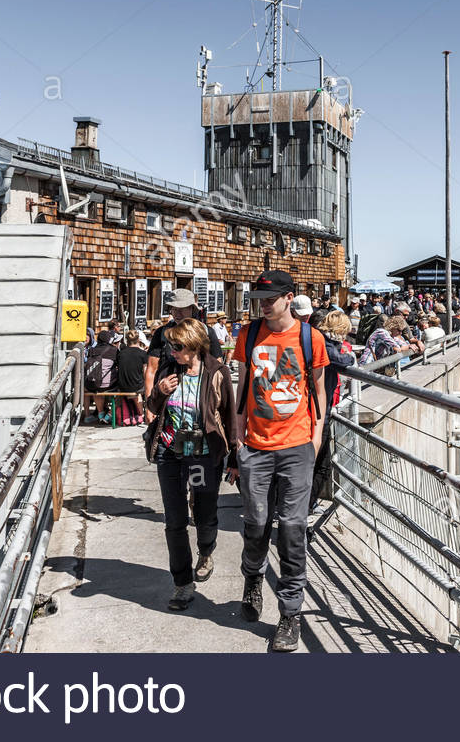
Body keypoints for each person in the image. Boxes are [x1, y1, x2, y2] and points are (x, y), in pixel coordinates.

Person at [229, 269, 328, 652]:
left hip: (297, 444)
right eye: (259, 300)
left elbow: (319, 391)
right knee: (255, 522)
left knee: (291, 527)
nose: (264, 306)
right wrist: (239, 436)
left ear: (290, 298)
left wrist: (315, 439)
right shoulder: (248, 335)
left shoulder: (310, 337)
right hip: (255, 444)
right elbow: (242, 386)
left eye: (270, 299)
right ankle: (253, 577)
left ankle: (290, 613)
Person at [143, 318, 235, 611]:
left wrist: (234, 457)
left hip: (202, 454)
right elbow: (152, 408)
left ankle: (206, 550)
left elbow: (230, 416)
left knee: (204, 513)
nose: (172, 351)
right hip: (170, 452)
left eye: (178, 346)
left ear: (195, 346)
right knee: (175, 521)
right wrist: (159, 391)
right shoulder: (170, 369)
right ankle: (182, 583)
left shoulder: (217, 373)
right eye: (170, 345)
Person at [145, 288, 224, 414]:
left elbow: (218, 366)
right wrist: (149, 406)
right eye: (174, 309)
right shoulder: (162, 333)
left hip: (200, 396)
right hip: (167, 394)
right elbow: (151, 369)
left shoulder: (206, 332)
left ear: (192, 309)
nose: (177, 313)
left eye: (182, 309)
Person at [313, 309, 354, 512]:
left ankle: (303, 507)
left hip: (319, 407)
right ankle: (304, 508)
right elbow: (341, 360)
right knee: (320, 464)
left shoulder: (320, 339)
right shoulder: (324, 343)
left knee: (321, 463)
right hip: (319, 411)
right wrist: (348, 356)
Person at [84, 330, 120, 422]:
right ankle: (109, 415)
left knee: (96, 386)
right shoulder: (114, 350)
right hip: (108, 385)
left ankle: (100, 414)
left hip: (92, 384)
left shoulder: (91, 350)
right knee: (121, 389)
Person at [114, 329, 147, 425]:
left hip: (122, 386)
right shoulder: (143, 354)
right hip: (136, 386)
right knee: (139, 390)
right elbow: (145, 373)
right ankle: (141, 415)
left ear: (126, 341)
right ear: (138, 340)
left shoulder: (121, 353)